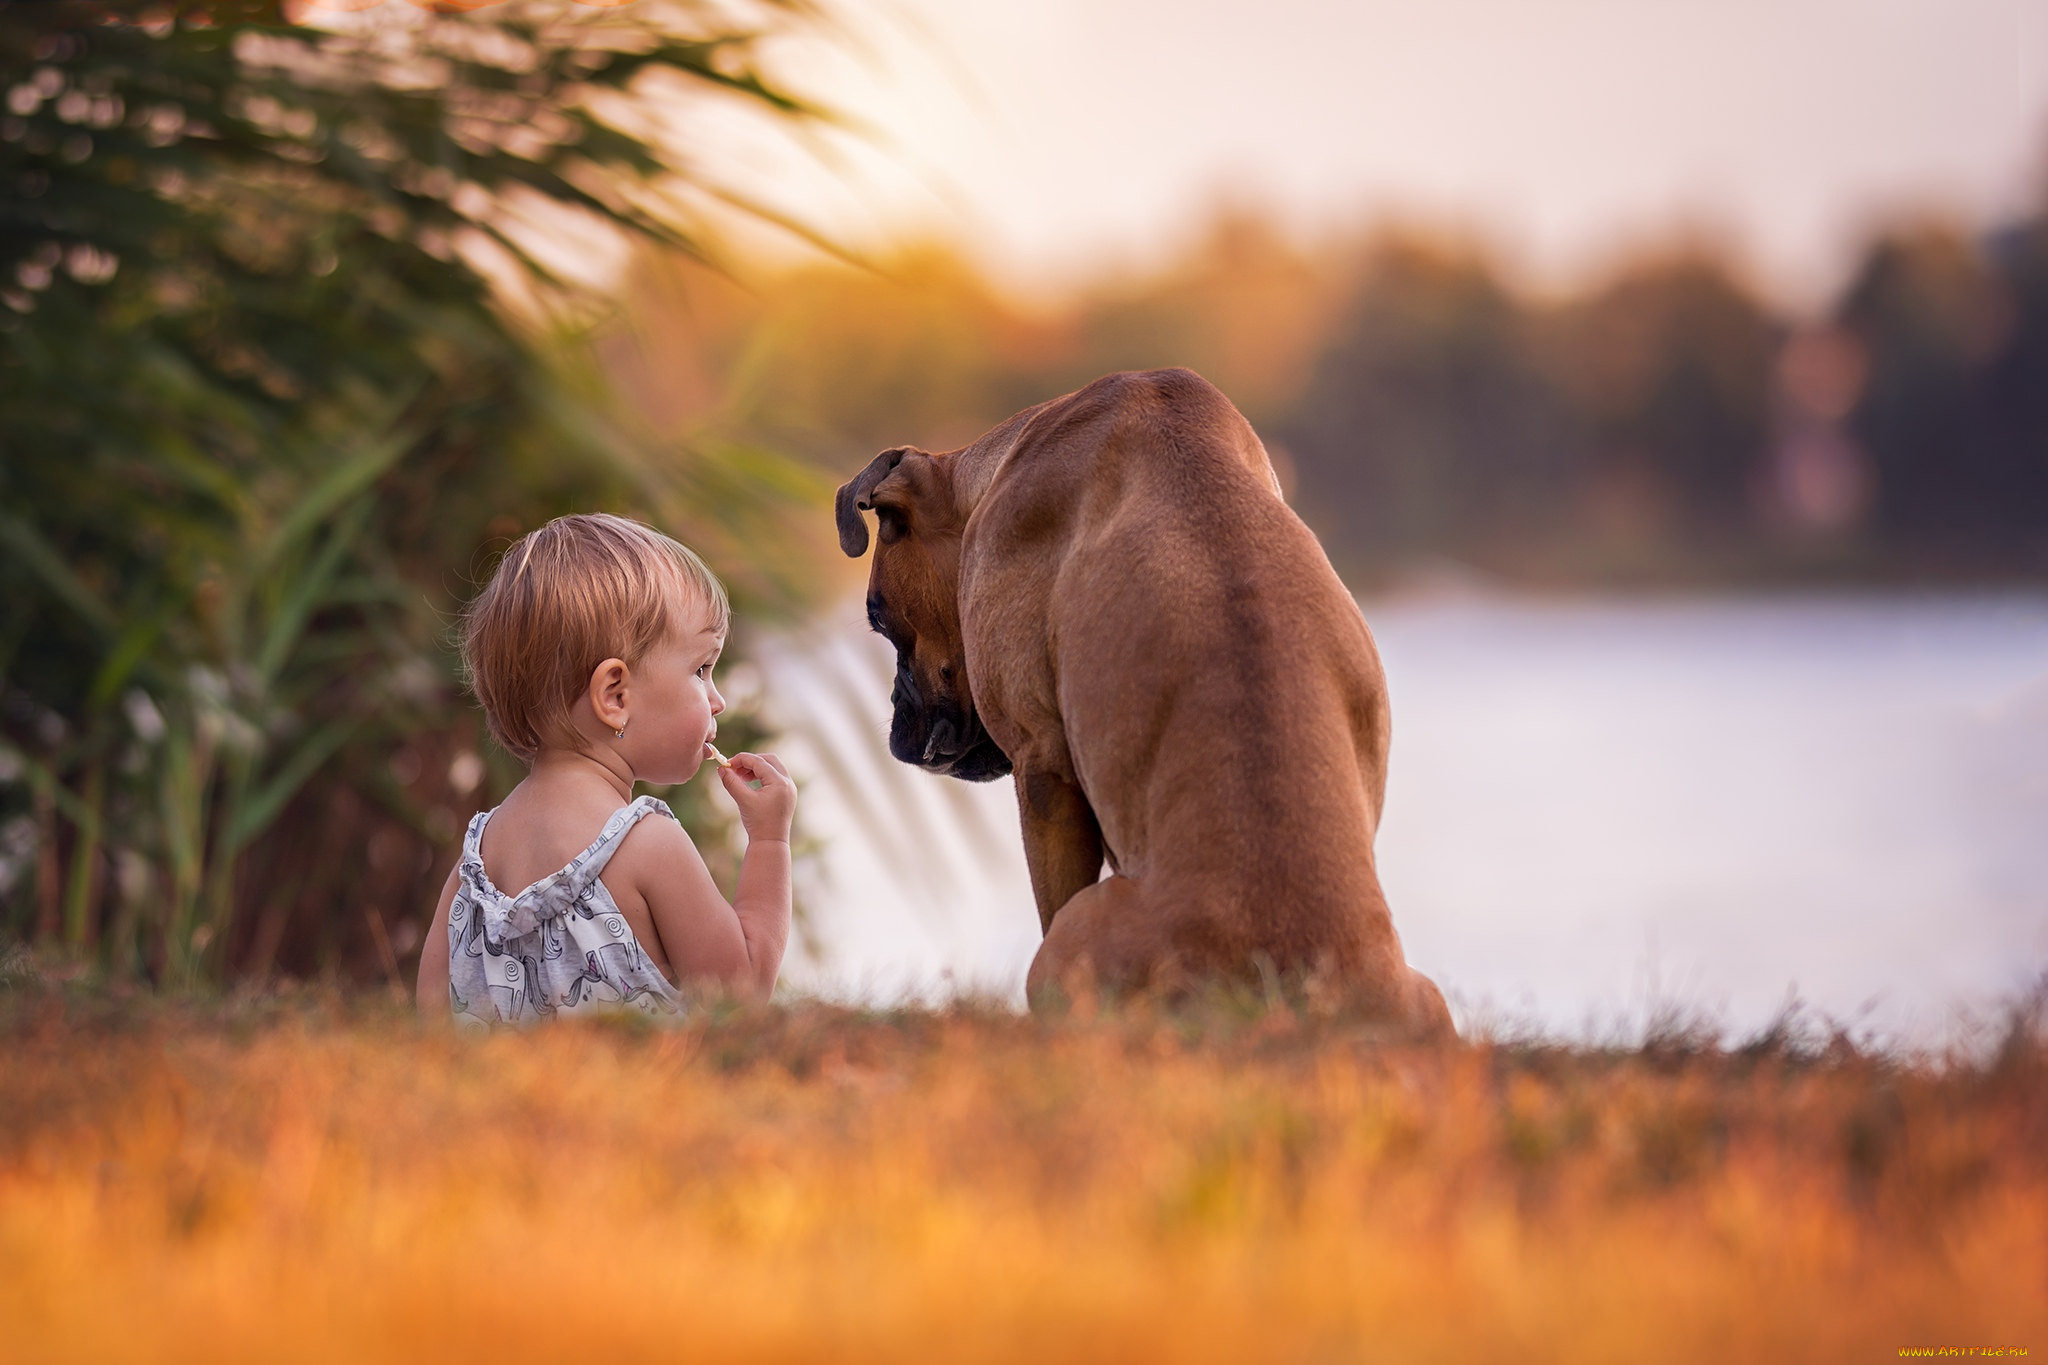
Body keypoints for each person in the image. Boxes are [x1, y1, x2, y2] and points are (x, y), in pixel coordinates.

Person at [414, 513, 795, 1024]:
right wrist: (770, 840)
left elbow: (430, 1024)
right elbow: (739, 998)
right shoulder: (646, 844)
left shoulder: (473, 869)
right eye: (701, 670)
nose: (718, 699)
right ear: (615, 696)